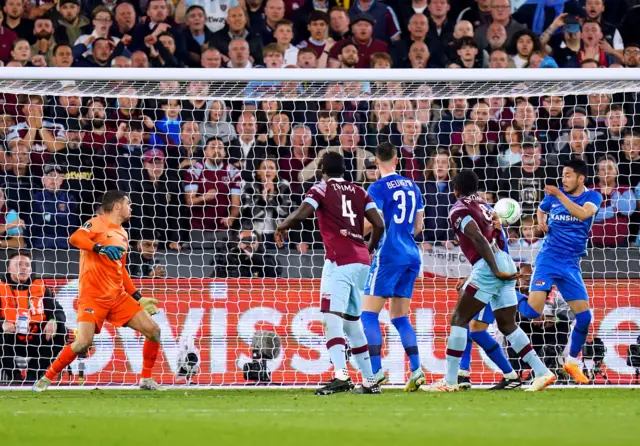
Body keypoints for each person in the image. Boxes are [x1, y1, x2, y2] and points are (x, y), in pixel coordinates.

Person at [423, 170, 554, 392]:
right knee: (507, 324)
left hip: (490, 266)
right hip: (502, 260)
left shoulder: (459, 209)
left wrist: (493, 270)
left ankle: (450, 380)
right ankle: (542, 372)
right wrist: (499, 267)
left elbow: (478, 238)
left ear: (454, 191)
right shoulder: (485, 206)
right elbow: (498, 236)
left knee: (459, 319)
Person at [274, 151, 385, 395]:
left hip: (340, 260)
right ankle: (369, 381)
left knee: (331, 317)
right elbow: (379, 224)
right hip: (361, 261)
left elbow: (303, 213)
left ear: (322, 169)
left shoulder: (320, 189)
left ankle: (341, 376)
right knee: (352, 323)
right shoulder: (359, 191)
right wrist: (369, 248)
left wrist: (281, 226)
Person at [33, 191, 163, 392]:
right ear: (117, 206)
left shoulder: (123, 233)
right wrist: (99, 248)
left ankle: (146, 379)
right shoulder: (96, 222)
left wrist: (138, 296)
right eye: (129, 203)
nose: (132, 207)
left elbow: (121, 269)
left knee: (154, 331)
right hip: (93, 297)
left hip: (118, 296)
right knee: (83, 343)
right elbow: (75, 238)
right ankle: (47, 377)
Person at [518, 159, 603, 385]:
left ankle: (572, 362)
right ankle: (509, 293)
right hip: (549, 259)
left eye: (567, 175)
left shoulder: (592, 197)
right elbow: (541, 208)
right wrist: (541, 221)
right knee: (533, 311)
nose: (563, 179)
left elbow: (584, 215)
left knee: (584, 317)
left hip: (571, 263)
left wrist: (560, 195)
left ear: (580, 178)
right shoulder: (554, 196)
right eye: (562, 175)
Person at [359, 142, 425, 391]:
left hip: (388, 254)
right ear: (397, 160)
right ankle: (417, 370)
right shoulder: (413, 186)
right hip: (412, 254)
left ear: (376, 161)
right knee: (399, 316)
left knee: (368, 314)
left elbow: (370, 224)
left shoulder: (376, 188)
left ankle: (375, 373)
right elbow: (419, 227)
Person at [0, 250, 66, 383]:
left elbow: (58, 311)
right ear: (9, 268)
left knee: (61, 331)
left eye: (27, 265)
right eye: (19, 264)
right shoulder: (1, 287)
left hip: (37, 339)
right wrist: (2, 323)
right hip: (10, 339)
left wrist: (53, 321)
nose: (24, 267)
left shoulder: (40, 287)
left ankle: (33, 375)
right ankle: (14, 377)